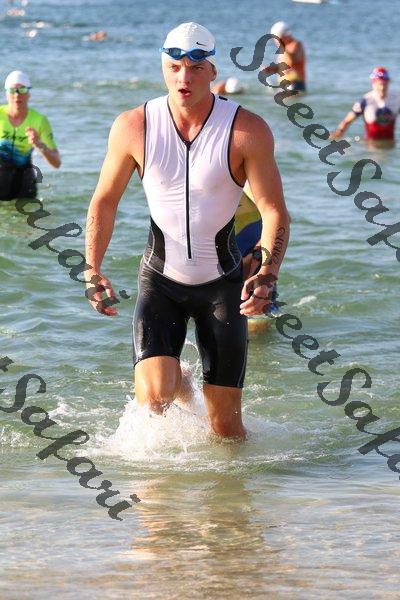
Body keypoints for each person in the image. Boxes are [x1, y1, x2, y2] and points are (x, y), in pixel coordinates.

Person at [85, 22, 290, 440]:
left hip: (222, 285)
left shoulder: (246, 130)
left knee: (226, 431)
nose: (185, 77)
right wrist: (92, 268)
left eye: (196, 68)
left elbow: (274, 211)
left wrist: (267, 274)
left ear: (212, 71)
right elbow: (104, 201)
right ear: (163, 66)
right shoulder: (134, 126)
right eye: (175, 66)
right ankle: (180, 382)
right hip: (160, 279)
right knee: (154, 399)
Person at [0, 70, 61, 201]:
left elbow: (57, 163)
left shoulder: (39, 120)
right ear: (6, 93)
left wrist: (39, 144)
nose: (17, 95)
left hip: (25, 184)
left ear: (29, 93)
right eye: (12, 90)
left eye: (22, 89)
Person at [235, 182, 281, 319]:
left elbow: (279, 219)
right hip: (224, 268)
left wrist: (254, 257)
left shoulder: (246, 181)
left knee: (258, 324)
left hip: (254, 268)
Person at [331, 67, 400, 145]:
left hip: (390, 145)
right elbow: (347, 121)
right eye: (379, 84)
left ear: (388, 82)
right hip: (370, 145)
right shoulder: (365, 101)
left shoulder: (397, 99)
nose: (382, 88)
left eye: (385, 84)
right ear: (373, 83)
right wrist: (338, 134)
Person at [261, 21, 306, 93]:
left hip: (295, 84)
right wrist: (270, 69)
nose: (275, 41)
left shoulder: (296, 44)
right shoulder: (284, 49)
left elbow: (294, 59)